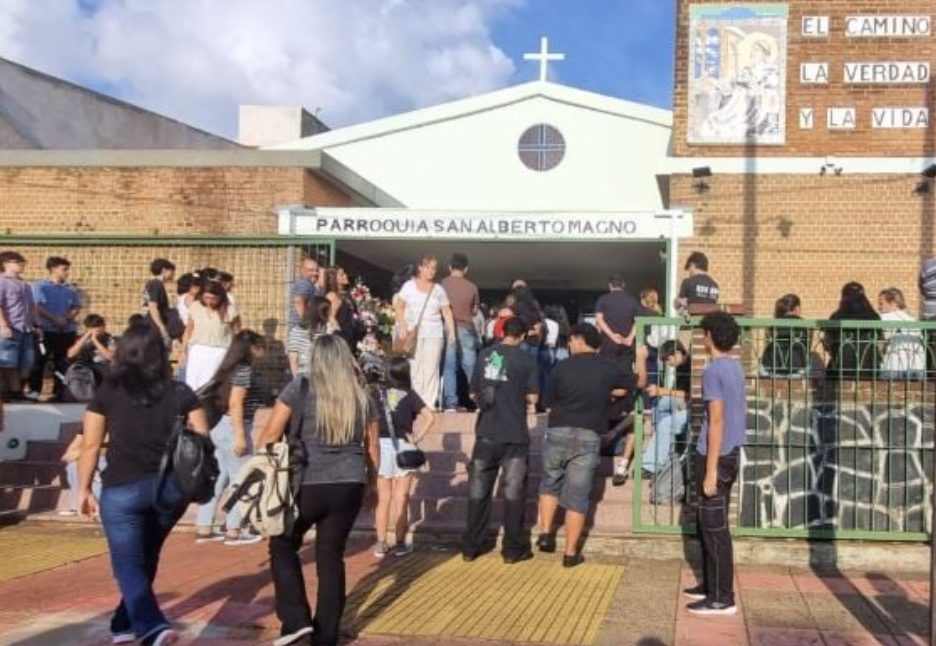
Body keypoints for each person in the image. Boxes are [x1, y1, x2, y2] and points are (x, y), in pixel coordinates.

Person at [77, 323, 210, 645]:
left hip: (121, 488)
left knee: (128, 563)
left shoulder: (107, 391)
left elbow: (91, 444)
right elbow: (203, 437)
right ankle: (124, 624)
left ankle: (151, 628)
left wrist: (83, 489)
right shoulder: (180, 391)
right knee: (145, 556)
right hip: (170, 488)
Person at [258, 335, 379, 646]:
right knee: (331, 556)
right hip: (349, 483)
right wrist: (373, 483)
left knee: (283, 544)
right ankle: (326, 636)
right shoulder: (361, 394)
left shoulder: (299, 387)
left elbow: (271, 433)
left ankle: (296, 620)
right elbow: (372, 446)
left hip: (307, 481)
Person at [537, 323, 636, 568]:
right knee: (578, 496)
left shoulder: (561, 367)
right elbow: (633, 384)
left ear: (578, 340)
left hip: (559, 429)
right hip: (589, 434)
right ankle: (571, 553)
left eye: (570, 341)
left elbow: (547, 402)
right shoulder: (608, 368)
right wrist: (610, 392)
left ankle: (546, 534)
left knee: (550, 483)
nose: (569, 345)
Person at [462, 317, 539, 563]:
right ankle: (513, 549)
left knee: (478, 490)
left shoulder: (485, 355)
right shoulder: (528, 360)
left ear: (502, 332)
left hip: (486, 432)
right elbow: (533, 397)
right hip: (515, 433)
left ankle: (472, 546)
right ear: (523, 335)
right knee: (514, 492)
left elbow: (473, 392)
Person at [683, 312, 745, 616]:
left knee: (714, 527)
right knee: (708, 524)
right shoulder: (734, 368)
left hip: (716, 456)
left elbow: (716, 420)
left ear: (708, 336)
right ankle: (710, 586)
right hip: (729, 454)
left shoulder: (712, 372)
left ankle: (722, 598)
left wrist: (709, 471)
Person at [194, 330, 268, 545]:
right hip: (233, 426)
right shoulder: (243, 370)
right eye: (261, 346)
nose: (263, 351)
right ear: (251, 348)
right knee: (242, 479)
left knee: (221, 477)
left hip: (219, 426)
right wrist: (240, 437)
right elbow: (236, 403)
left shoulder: (227, 369)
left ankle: (205, 524)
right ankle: (235, 528)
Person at [372, 357, 435, 558]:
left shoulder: (377, 394)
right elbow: (430, 417)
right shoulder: (410, 395)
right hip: (404, 447)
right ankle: (400, 543)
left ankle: (381, 543)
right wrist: (416, 438)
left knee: (384, 498)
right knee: (402, 498)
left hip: (381, 445)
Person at [394, 255, 456, 410]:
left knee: (431, 367)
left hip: (434, 334)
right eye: (428, 267)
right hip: (413, 333)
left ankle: (428, 403)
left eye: (434, 268)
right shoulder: (408, 286)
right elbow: (399, 306)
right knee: (414, 367)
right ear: (420, 268)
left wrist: (452, 332)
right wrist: (402, 325)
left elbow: (447, 311)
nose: (431, 271)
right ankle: (416, 402)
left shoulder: (438, 290)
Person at [28, 256, 81, 401]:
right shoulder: (38, 286)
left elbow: (76, 307)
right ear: (53, 269)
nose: (66, 272)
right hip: (46, 330)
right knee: (40, 360)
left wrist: (67, 319)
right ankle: (34, 390)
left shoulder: (70, 289)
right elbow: (36, 306)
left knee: (63, 361)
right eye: (64, 269)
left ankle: (60, 391)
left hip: (66, 330)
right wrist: (54, 319)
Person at [181, 281, 241, 391]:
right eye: (206, 298)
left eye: (213, 299)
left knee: (207, 382)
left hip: (219, 349)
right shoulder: (195, 307)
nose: (210, 302)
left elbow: (237, 333)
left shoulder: (229, 309)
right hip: (197, 349)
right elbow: (188, 330)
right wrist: (184, 351)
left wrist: (235, 354)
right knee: (191, 383)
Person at [442, 253, 480, 412]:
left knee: (450, 366)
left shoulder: (441, 285)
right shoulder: (472, 287)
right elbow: (475, 310)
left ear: (449, 267)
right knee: (471, 366)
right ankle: (478, 401)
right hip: (466, 328)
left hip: (448, 328)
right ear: (466, 269)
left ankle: (451, 403)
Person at [0, 251, 39, 400]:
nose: (22, 265)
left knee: (26, 362)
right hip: (10, 328)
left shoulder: (25, 285)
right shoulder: (2, 282)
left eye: (22, 262)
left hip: (26, 328)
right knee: (6, 361)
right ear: (6, 264)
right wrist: (3, 325)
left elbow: (31, 307)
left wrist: (38, 326)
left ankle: (17, 392)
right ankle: (6, 392)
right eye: (17, 262)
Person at [824, 282, 880, 380]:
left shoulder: (837, 317)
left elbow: (827, 342)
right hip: (868, 368)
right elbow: (880, 341)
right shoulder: (873, 317)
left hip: (840, 369)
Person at [595, 274, 640, 373]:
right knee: (624, 375)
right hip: (626, 345)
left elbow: (599, 319)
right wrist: (630, 338)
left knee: (608, 374)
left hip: (607, 344)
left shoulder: (603, 299)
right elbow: (638, 322)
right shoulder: (633, 300)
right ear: (623, 285)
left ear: (610, 286)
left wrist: (612, 336)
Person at [878, 288, 926, 380]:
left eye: (881, 303)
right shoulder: (912, 320)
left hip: (894, 368)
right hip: (917, 367)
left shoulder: (886, 317)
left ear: (892, 303)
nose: (879, 307)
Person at [760, 294, 808, 377]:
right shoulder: (803, 324)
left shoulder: (772, 324)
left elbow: (768, 344)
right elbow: (806, 347)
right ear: (797, 308)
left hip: (772, 366)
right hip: (797, 368)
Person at [287, 258, 322, 370]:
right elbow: (298, 300)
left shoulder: (308, 284)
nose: (315, 273)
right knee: (303, 364)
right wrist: (306, 323)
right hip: (302, 329)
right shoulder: (304, 283)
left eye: (316, 270)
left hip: (301, 329)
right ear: (302, 270)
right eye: (310, 270)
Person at [288, 296, 333, 377]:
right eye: (329, 312)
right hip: (322, 376)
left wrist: (296, 379)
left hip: (303, 376)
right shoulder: (326, 330)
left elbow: (293, 359)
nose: (331, 314)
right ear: (322, 312)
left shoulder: (296, 331)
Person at [66, 314, 116, 386]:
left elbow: (110, 357)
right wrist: (86, 336)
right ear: (88, 328)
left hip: (103, 368)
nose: (97, 329)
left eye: (100, 326)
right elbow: (70, 354)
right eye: (94, 326)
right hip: (87, 368)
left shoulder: (109, 339)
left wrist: (95, 341)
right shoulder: (84, 339)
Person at [142, 258, 176, 346]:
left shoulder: (152, 284)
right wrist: (161, 327)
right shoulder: (156, 284)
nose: (173, 275)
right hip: (154, 326)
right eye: (171, 272)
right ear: (164, 270)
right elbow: (153, 307)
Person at [324, 266, 356, 349]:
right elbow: (330, 317)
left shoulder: (343, 295)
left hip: (348, 336)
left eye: (344, 273)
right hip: (340, 340)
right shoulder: (332, 296)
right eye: (341, 275)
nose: (345, 276)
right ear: (334, 279)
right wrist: (339, 337)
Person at [919, 257, 936, 321]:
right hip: (929, 313)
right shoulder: (927, 264)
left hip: (929, 310)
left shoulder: (927, 264)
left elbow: (921, 285)